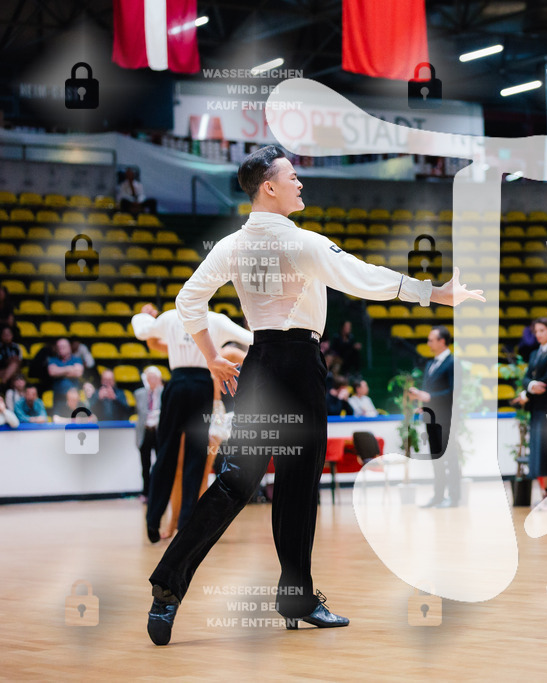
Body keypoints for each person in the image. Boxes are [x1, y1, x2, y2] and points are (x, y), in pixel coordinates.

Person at [145, 144, 483, 646]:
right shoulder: (304, 243)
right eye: (293, 176)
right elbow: (367, 279)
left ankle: (166, 593)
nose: (300, 183)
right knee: (299, 488)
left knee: (236, 483)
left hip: (258, 366)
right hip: (299, 366)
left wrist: (211, 355)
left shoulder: (230, 245)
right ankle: (296, 598)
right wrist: (435, 293)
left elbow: (187, 300)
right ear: (270, 187)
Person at [132, 303, 253, 543]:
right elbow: (250, 338)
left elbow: (145, 334)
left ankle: (154, 520)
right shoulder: (216, 320)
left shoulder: (171, 317)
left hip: (177, 384)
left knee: (167, 454)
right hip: (201, 388)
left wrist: (143, 318)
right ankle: (185, 523)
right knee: (195, 460)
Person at [512, 316, 547, 510]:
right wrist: (531, 386)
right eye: (536, 331)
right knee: (541, 451)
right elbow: (527, 378)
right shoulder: (535, 353)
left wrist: (532, 386)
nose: (538, 334)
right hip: (537, 407)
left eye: (542, 330)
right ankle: (546, 493)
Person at [409, 326, 459, 508]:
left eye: (431, 340)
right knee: (436, 458)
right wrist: (423, 404)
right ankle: (438, 496)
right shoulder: (431, 364)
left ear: (442, 341)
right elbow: (428, 392)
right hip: (431, 418)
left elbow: (454, 391)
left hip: (447, 418)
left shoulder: (453, 362)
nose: (428, 343)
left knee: (450, 458)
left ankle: (454, 497)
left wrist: (429, 398)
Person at [135, 367, 164, 501]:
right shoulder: (139, 393)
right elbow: (141, 412)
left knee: (160, 464)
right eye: (149, 377)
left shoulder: (164, 393)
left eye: (154, 377)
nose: (151, 380)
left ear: (159, 379)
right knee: (145, 465)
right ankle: (145, 492)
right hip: (145, 432)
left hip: (159, 433)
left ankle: (159, 493)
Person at [47, 338, 84, 414]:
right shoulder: (53, 360)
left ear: (69, 347)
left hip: (73, 398)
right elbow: (52, 372)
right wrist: (69, 368)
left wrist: (59, 371)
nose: (61, 349)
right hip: (58, 398)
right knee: (58, 422)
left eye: (63, 347)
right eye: (59, 347)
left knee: (74, 420)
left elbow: (78, 373)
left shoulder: (77, 359)